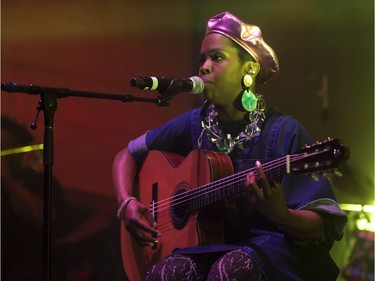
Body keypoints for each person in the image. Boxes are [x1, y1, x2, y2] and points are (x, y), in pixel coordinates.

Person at [113, 11, 348, 281]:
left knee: (231, 269)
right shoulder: (194, 123)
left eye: (217, 57)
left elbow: (320, 227)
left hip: (271, 251)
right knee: (166, 272)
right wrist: (126, 203)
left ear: (249, 69)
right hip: (207, 251)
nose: (203, 67)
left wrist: (282, 214)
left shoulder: (284, 131)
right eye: (201, 59)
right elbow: (126, 155)